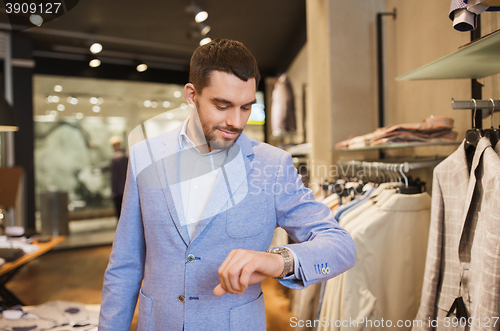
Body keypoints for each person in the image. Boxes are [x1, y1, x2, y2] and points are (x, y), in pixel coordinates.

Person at [98, 39, 356, 331]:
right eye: (222, 106)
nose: (236, 121)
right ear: (191, 95)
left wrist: (277, 260)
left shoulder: (273, 165)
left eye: (246, 107)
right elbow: (125, 265)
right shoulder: (145, 155)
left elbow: (341, 246)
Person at [109, 136, 128, 219]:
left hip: (118, 191)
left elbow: (115, 178)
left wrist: (114, 190)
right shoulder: (126, 157)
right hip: (126, 189)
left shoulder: (115, 159)